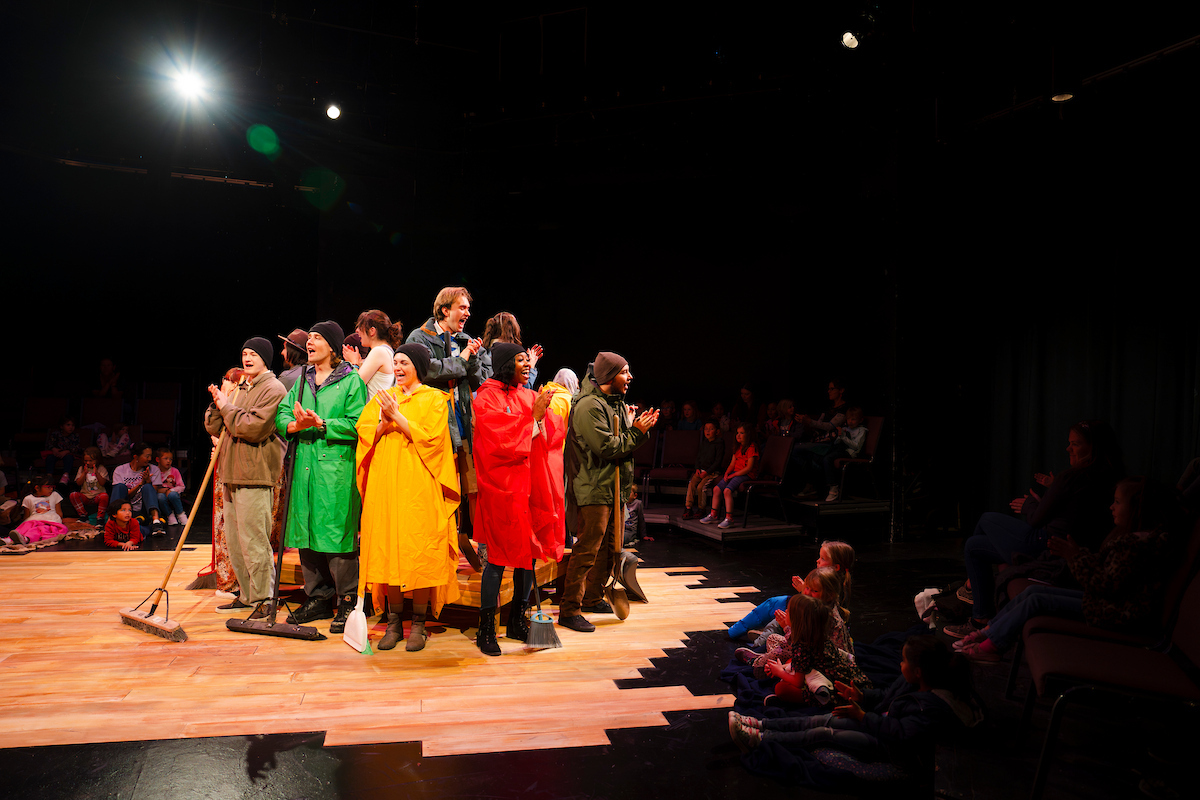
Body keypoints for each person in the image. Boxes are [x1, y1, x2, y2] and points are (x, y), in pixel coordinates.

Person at [957, 477, 1183, 662]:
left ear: (1137, 509)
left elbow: (1104, 586)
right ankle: (989, 631)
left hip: (1116, 613)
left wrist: (1073, 557)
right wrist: (1076, 555)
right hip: (1107, 604)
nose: (1111, 507)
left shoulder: (1135, 545)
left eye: (1117, 502)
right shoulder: (1135, 539)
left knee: (1037, 600)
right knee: (1033, 591)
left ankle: (992, 646)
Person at [949, 419, 1125, 638]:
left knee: (987, 519)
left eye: (1075, 444)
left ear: (1094, 447)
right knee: (974, 546)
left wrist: (1030, 504)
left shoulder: (1071, 477)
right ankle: (979, 617)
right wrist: (1049, 496)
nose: (1068, 449)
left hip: (1046, 546)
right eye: (1069, 443)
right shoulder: (1113, 478)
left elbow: (1036, 520)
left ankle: (972, 589)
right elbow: (1076, 514)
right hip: (1061, 546)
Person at [730, 636, 982, 777]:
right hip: (875, 722)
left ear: (918, 671)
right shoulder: (914, 682)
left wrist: (862, 717)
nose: (900, 664)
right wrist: (862, 696)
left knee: (824, 732)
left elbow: (900, 734)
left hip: (890, 748)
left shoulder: (931, 708)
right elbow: (886, 696)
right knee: (822, 719)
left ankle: (759, 739)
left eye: (904, 661)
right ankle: (761, 724)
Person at [356, 345, 461, 652]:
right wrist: (384, 421)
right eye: (396, 363)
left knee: (420, 551)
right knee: (388, 549)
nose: (398, 368)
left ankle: (418, 623)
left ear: (418, 366)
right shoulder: (382, 397)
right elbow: (365, 435)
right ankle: (393, 623)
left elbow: (432, 440)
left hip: (419, 486)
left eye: (404, 362)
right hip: (387, 485)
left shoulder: (434, 399)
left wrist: (396, 416)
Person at [472, 343, 565, 654]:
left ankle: (516, 621)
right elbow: (498, 440)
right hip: (501, 488)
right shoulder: (486, 397)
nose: (527, 365)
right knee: (497, 559)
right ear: (504, 364)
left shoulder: (527, 395)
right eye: (521, 360)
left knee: (529, 556)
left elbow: (549, 435)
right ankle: (486, 629)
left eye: (528, 360)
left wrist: (543, 416)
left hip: (529, 486)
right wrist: (533, 419)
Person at [276, 322, 366, 632]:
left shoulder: (351, 381)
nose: (310, 342)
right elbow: (283, 414)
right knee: (306, 531)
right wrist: (295, 426)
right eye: (309, 338)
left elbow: (358, 423)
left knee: (335, 534)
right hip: (304, 466)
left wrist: (322, 424)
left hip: (335, 470)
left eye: (317, 338)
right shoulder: (302, 380)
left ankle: (347, 599)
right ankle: (318, 597)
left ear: (332, 346)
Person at [560, 352, 658, 633]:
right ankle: (569, 610)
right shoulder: (589, 406)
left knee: (609, 548)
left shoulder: (611, 403)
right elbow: (608, 447)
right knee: (587, 550)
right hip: (593, 488)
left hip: (611, 487)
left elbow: (620, 441)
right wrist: (636, 432)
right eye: (625, 372)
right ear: (609, 376)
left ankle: (592, 597)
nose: (630, 377)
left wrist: (635, 426)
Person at [206, 337, 287, 618]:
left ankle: (264, 599)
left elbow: (252, 428)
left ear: (265, 358)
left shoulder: (273, 389)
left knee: (254, 542)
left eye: (253, 354)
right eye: (244, 353)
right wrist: (218, 402)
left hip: (254, 474)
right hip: (231, 473)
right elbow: (214, 426)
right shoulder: (241, 387)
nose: (247, 358)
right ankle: (247, 595)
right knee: (236, 543)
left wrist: (227, 407)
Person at [406, 287, 485, 569]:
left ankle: (481, 549)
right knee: (439, 492)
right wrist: (462, 360)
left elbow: (478, 380)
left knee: (473, 490)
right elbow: (429, 370)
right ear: (444, 310)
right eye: (462, 308)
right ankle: (437, 552)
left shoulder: (464, 340)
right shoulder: (419, 337)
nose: (467, 313)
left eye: (468, 309)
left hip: (464, 428)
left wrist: (473, 356)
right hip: (436, 428)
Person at [759, 594, 871, 706]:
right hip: (849, 680)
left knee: (781, 689)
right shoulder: (817, 635)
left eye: (789, 611)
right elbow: (805, 663)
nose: (786, 611)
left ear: (797, 620)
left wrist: (779, 672)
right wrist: (782, 667)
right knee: (790, 662)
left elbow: (798, 682)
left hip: (838, 692)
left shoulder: (802, 645)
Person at [701, 423, 759, 529]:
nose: (738, 435)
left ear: (748, 434)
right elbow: (732, 464)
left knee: (727, 491)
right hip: (735, 473)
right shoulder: (737, 447)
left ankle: (729, 518)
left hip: (746, 475)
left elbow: (749, 468)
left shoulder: (751, 447)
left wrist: (734, 475)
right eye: (737, 433)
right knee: (716, 489)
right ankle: (713, 515)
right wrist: (727, 473)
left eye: (742, 433)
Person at [479, 311, 541, 389]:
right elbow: (522, 389)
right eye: (520, 360)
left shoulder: (484, 352)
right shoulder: (507, 356)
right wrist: (531, 367)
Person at [110, 444, 163, 536]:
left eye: (150, 456)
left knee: (148, 486)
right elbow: (125, 495)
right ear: (136, 457)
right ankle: (112, 521)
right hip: (125, 508)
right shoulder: (120, 470)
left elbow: (153, 493)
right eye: (147, 456)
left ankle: (156, 522)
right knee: (119, 487)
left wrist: (148, 482)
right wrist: (140, 484)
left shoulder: (154, 469)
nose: (150, 459)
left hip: (143, 509)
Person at [352, 309, 403, 400]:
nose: (357, 331)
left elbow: (356, 385)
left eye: (360, 327)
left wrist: (354, 363)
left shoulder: (379, 351)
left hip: (374, 407)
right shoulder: (386, 350)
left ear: (372, 331)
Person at [683, 421, 725, 520]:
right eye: (706, 429)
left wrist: (707, 472)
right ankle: (688, 508)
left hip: (711, 472)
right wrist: (697, 468)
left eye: (711, 429)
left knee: (701, 487)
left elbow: (718, 461)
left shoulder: (719, 444)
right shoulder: (704, 443)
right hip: (701, 471)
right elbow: (698, 457)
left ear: (717, 431)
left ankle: (701, 509)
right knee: (691, 484)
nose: (708, 431)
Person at [12, 475, 68, 543]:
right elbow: (26, 516)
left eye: (52, 487)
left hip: (50, 521)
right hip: (34, 520)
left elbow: (59, 513)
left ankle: (27, 538)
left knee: (40, 529)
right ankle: (9, 540)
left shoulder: (55, 495)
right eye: (48, 487)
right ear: (37, 488)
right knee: (25, 526)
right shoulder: (28, 498)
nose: (51, 489)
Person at [69, 447, 109, 523]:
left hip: (97, 496)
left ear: (97, 460)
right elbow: (78, 483)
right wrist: (84, 473)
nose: (88, 463)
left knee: (104, 496)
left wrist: (96, 472)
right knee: (73, 495)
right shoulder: (82, 468)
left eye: (90, 461)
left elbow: (102, 483)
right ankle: (83, 515)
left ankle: (100, 518)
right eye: (86, 460)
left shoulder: (101, 468)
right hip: (85, 495)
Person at [152, 447, 187, 526]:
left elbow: (181, 486)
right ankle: (170, 515)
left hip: (172, 493)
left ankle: (180, 514)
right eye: (165, 458)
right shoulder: (154, 472)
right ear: (158, 459)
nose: (168, 461)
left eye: (170, 459)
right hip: (160, 493)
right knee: (160, 497)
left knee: (173, 495)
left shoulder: (175, 471)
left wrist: (170, 490)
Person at [44, 416, 79, 486]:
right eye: (68, 425)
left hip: (68, 454)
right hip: (56, 453)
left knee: (69, 458)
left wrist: (66, 451)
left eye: (72, 425)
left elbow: (76, 447)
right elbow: (49, 444)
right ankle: (49, 476)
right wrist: (54, 449)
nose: (71, 427)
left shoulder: (74, 436)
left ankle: (65, 476)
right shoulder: (56, 434)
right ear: (61, 426)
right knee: (50, 458)